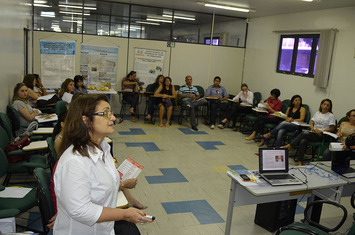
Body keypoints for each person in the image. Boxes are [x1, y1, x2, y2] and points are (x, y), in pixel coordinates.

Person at [53, 94, 152, 234]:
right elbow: (81, 210)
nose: (112, 117)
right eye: (105, 113)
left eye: (110, 113)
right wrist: (124, 214)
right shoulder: (74, 161)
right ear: (86, 121)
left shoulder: (103, 147)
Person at [282, 99, 336, 166]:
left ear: (330, 107)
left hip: (322, 135)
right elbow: (312, 123)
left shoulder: (331, 116)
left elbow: (332, 128)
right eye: (324, 104)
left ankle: (290, 145)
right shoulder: (317, 113)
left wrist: (321, 131)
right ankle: (300, 161)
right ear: (321, 105)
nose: (325, 106)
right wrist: (313, 128)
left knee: (304, 133)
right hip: (313, 133)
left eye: (327, 105)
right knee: (303, 141)